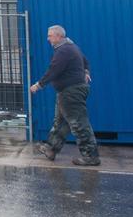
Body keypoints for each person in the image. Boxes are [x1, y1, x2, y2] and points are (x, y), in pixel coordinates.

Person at [30, 24, 99, 166]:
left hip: (71, 92)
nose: (47, 39)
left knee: (79, 123)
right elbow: (86, 62)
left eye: (49, 36)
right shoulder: (71, 47)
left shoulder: (64, 50)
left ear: (58, 36)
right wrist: (86, 73)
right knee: (61, 122)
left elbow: (53, 70)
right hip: (68, 92)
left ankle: (91, 156)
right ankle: (51, 148)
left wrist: (39, 85)